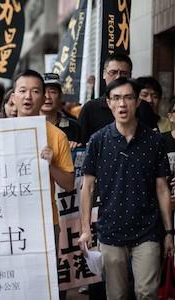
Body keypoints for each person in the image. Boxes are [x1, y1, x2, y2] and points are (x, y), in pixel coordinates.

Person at [78, 77, 174, 299]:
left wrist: (169, 232)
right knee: (117, 294)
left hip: (148, 230)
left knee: (147, 292)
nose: (122, 104)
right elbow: (88, 187)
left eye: (128, 98)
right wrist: (85, 229)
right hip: (111, 230)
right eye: (116, 98)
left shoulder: (154, 141)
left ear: (137, 102)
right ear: (109, 102)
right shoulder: (98, 140)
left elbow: (162, 188)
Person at [11, 69, 74, 248]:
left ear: (43, 97)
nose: (28, 97)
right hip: (7, 220)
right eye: (22, 91)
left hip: (45, 220)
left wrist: (50, 165)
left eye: (35, 91)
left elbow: (69, 184)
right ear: (14, 96)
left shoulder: (57, 136)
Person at [79, 54, 156, 145]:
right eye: (113, 72)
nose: (118, 77)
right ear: (104, 74)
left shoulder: (143, 107)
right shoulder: (90, 108)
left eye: (124, 73)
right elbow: (81, 145)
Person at [40, 73, 82, 149]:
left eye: (52, 92)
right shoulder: (28, 126)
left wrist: (75, 148)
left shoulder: (74, 127)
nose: (47, 97)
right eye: (43, 92)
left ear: (60, 96)